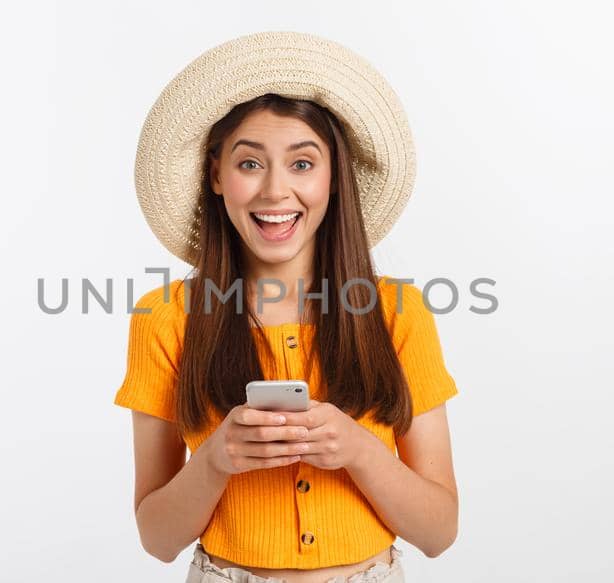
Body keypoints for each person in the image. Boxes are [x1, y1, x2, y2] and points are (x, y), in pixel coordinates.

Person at [115, 31, 460, 583]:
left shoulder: (397, 313)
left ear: (333, 177)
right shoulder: (166, 319)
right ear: (216, 177)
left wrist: (359, 450)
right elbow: (157, 539)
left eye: (302, 164)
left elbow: (439, 533)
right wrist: (216, 458)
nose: (276, 191)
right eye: (250, 164)